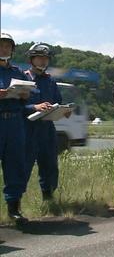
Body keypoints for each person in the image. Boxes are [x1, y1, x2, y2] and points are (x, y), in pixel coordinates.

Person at [23, 43, 70, 202]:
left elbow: (57, 101)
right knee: (23, 166)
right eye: (39, 58)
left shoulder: (50, 81)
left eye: (46, 58)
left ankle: (48, 198)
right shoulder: (23, 78)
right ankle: (16, 203)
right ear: (31, 59)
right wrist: (34, 106)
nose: (43, 61)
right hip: (27, 129)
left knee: (50, 165)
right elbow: (16, 105)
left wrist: (64, 111)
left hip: (47, 128)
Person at [0, 33, 30, 223]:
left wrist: (26, 96)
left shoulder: (19, 73)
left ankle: (14, 208)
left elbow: (26, 103)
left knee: (15, 165)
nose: (4, 49)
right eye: (1, 45)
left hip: (15, 123)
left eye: (8, 46)